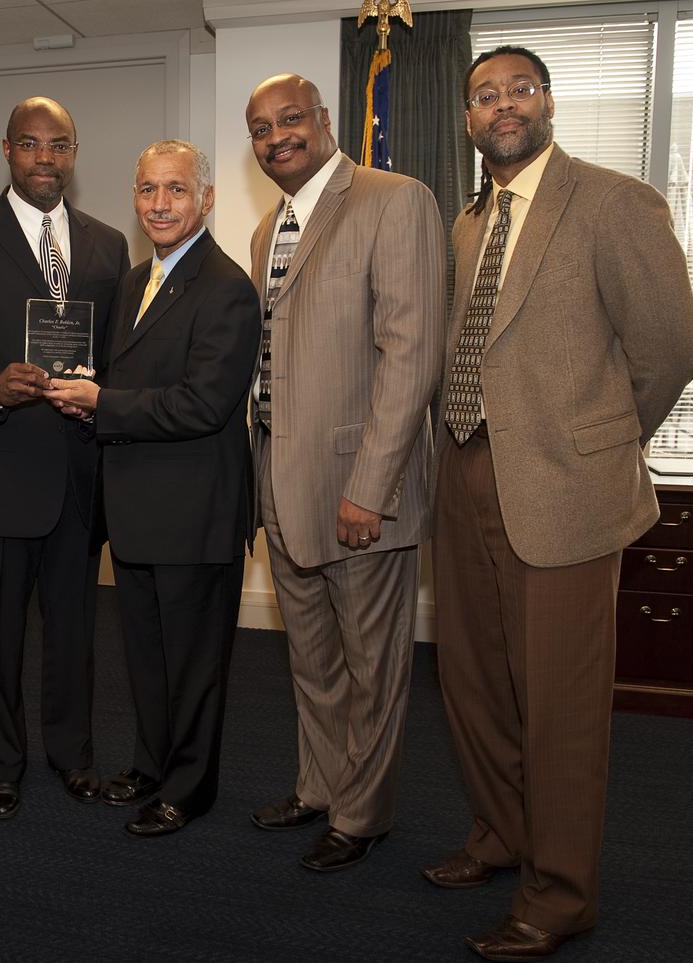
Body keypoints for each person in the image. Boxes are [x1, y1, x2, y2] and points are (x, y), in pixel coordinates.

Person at [424, 47, 693, 960]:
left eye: (520, 89)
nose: (503, 105)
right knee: (476, 682)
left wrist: (599, 445)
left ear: (549, 102)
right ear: (467, 118)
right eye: (484, 95)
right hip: (464, 474)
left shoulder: (614, 203)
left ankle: (562, 894)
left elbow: (669, 350)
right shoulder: (468, 222)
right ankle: (503, 837)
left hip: (566, 492)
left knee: (561, 705)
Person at [243, 73, 445, 870]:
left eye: (291, 119)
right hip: (282, 482)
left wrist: (372, 486)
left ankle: (362, 814)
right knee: (312, 658)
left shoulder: (395, 200)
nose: (277, 136)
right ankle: (320, 785)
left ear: (325, 120)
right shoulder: (268, 230)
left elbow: (411, 353)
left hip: (359, 488)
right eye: (261, 128)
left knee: (371, 664)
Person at [45, 140, 260, 836]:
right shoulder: (136, 280)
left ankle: (190, 786)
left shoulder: (227, 286)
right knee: (145, 652)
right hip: (136, 507)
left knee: (195, 664)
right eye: (146, 190)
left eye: (174, 190)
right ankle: (151, 758)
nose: (159, 205)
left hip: (196, 509)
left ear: (205, 198)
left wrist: (100, 401)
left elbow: (203, 404)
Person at [0, 96, 129, 819]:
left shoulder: (109, 245)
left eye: (60, 145)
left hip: (80, 473)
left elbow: (118, 357)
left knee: (74, 633)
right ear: (7, 150)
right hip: (2, 466)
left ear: (74, 153)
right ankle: (0, 766)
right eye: (32, 145)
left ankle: (73, 756)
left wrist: (104, 391)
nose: (46, 158)